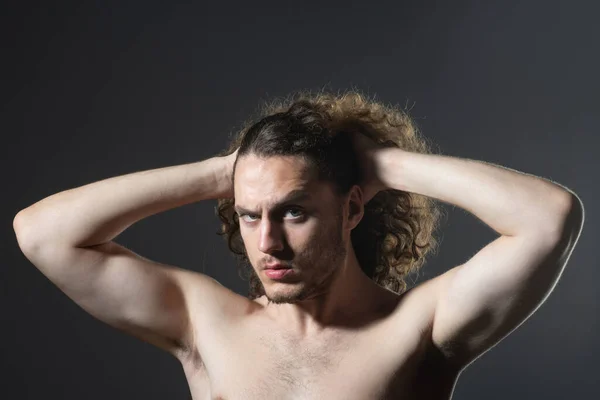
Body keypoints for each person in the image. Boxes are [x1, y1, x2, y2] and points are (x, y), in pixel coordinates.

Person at [13, 89, 583, 399]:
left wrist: (384, 163)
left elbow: (549, 218)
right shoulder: (205, 323)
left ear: (353, 207)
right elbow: (42, 234)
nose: (269, 243)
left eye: (294, 212)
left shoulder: (419, 328)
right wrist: (223, 171)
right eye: (248, 215)